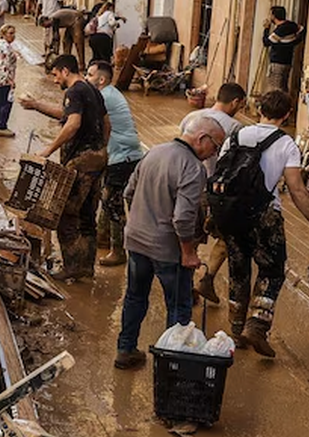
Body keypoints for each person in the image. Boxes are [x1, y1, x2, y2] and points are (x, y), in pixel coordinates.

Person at [212, 88, 309, 357]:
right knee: (272, 271)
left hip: (232, 214)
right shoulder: (286, 144)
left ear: (259, 110)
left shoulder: (235, 136)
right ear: (287, 114)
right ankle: (256, 326)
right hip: (264, 217)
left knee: (238, 270)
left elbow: (219, 173)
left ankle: (236, 330)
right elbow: (298, 190)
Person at [114, 116, 226, 369]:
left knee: (135, 297)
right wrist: (187, 252)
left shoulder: (154, 152)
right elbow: (183, 218)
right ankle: (170, 364)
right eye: (215, 146)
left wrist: (143, 221)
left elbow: (128, 193)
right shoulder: (192, 168)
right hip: (167, 250)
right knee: (178, 307)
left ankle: (125, 349)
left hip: (136, 241)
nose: (213, 154)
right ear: (202, 139)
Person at [21, 54, 110, 282]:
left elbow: (73, 123)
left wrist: (49, 149)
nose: (54, 80)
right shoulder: (92, 90)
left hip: (81, 161)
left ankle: (71, 266)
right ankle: (86, 267)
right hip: (98, 159)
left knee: (65, 215)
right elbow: (104, 122)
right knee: (88, 216)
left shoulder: (74, 91)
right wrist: (100, 148)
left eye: (54, 74)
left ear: (65, 71)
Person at [181, 82, 248, 304]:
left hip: (191, 186)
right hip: (220, 192)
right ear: (236, 102)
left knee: (190, 238)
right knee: (228, 236)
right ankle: (207, 279)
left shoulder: (192, 118)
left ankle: (187, 285)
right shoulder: (236, 128)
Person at [86, 60, 145, 267]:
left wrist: (38, 106)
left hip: (123, 157)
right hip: (124, 154)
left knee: (112, 202)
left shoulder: (103, 97)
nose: (87, 78)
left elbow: (79, 120)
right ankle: (104, 238)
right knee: (108, 196)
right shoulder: (109, 93)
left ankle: (119, 251)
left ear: (101, 79)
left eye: (90, 74)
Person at [262, 5, 306, 96]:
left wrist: (266, 29)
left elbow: (266, 42)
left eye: (271, 15)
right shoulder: (292, 25)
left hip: (277, 63)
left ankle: (277, 108)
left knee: (276, 88)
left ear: (274, 16)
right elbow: (302, 30)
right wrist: (294, 42)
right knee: (284, 87)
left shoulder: (280, 30)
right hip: (287, 62)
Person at [87, 0, 118, 64]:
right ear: (110, 8)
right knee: (105, 58)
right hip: (104, 38)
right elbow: (112, 23)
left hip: (94, 38)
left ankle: (91, 69)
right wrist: (116, 24)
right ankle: (106, 71)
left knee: (96, 57)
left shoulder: (99, 15)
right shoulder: (109, 13)